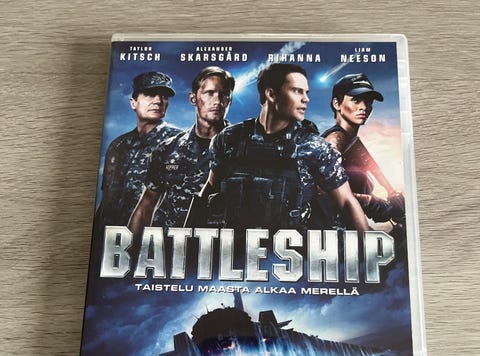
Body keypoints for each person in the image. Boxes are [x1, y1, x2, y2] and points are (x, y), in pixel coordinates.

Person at [192, 63, 368, 232]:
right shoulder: (229, 139)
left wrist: (368, 248)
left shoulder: (315, 147)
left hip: (291, 249)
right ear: (271, 94)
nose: (306, 99)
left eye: (306, 92)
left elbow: (347, 203)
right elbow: (210, 189)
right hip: (235, 249)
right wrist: (186, 240)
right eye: (297, 91)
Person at [128, 66, 235, 236]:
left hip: (224, 246)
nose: (217, 101)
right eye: (209, 93)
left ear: (230, 100)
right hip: (173, 247)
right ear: (193, 98)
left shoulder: (244, 148)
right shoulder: (167, 150)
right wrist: (130, 248)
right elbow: (145, 208)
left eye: (223, 94)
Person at [317, 73, 405, 228]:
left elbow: (373, 167)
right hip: (328, 229)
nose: (364, 107)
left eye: (368, 102)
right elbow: (321, 190)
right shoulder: (335, 139)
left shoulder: (350, 142)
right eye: (356, 100)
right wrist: (372, 203)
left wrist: (392, 193)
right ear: (337, 103)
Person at [96, 71, 181, 227]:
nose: (158, 101)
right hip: (113, 236)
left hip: (153, 237)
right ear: (133, 103)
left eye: (164, 96)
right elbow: (106, 201)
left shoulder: (179, 143)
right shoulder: (118, 145)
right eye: (150, 94)